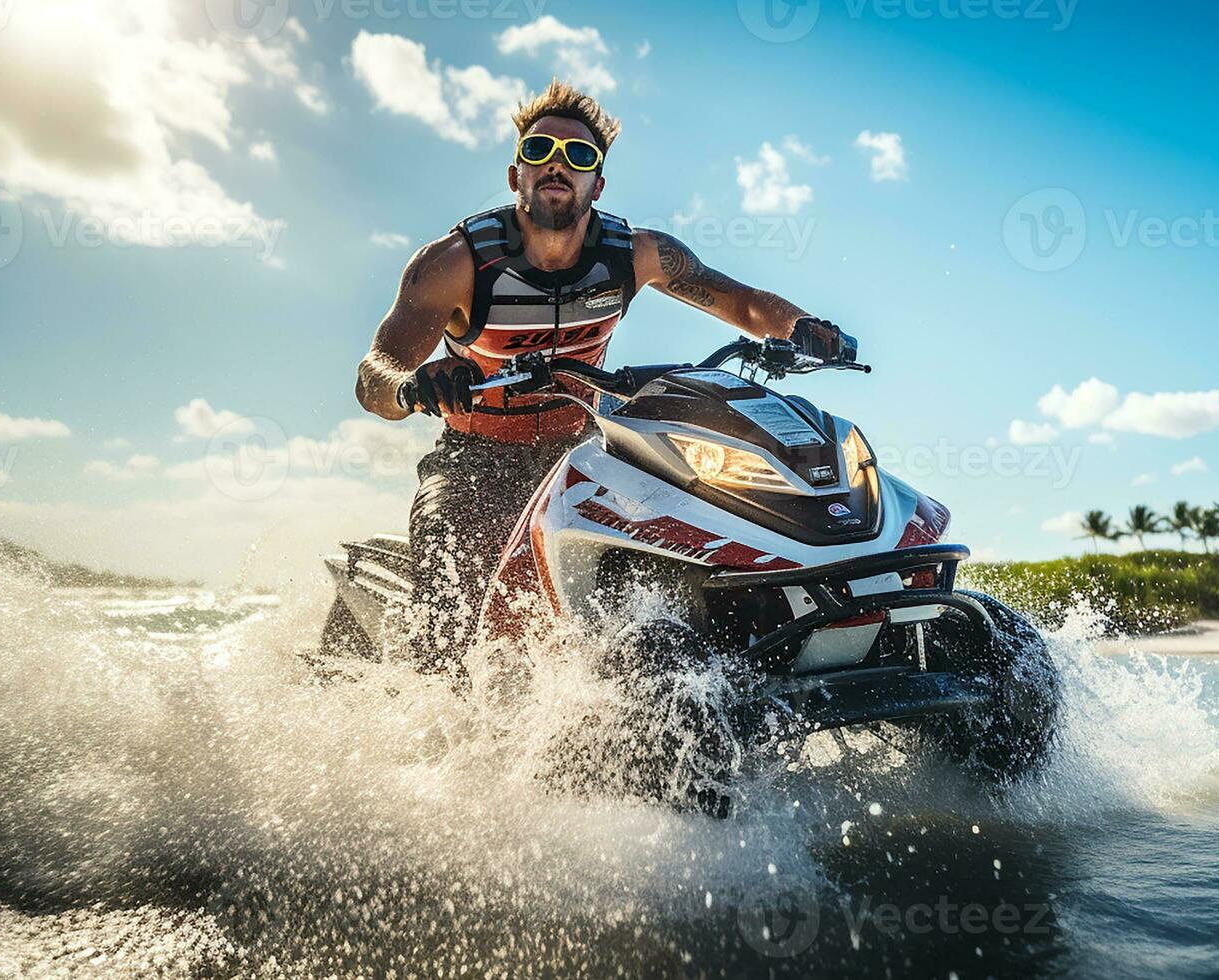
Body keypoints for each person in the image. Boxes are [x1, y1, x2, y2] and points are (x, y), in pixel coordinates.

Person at [355, 78, 851, 672]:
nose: (557, 166)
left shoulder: (635, 254)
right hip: (475, 459)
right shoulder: (457, 262)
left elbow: (741, 305)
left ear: (598, 182)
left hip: (587, 452)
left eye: (578, 156)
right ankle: (435, 726)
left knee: (683, 550)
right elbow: (373, 377)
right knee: (450, 602)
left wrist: (803, 328)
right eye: (539, 152)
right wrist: (413, 388)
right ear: (516, 175)